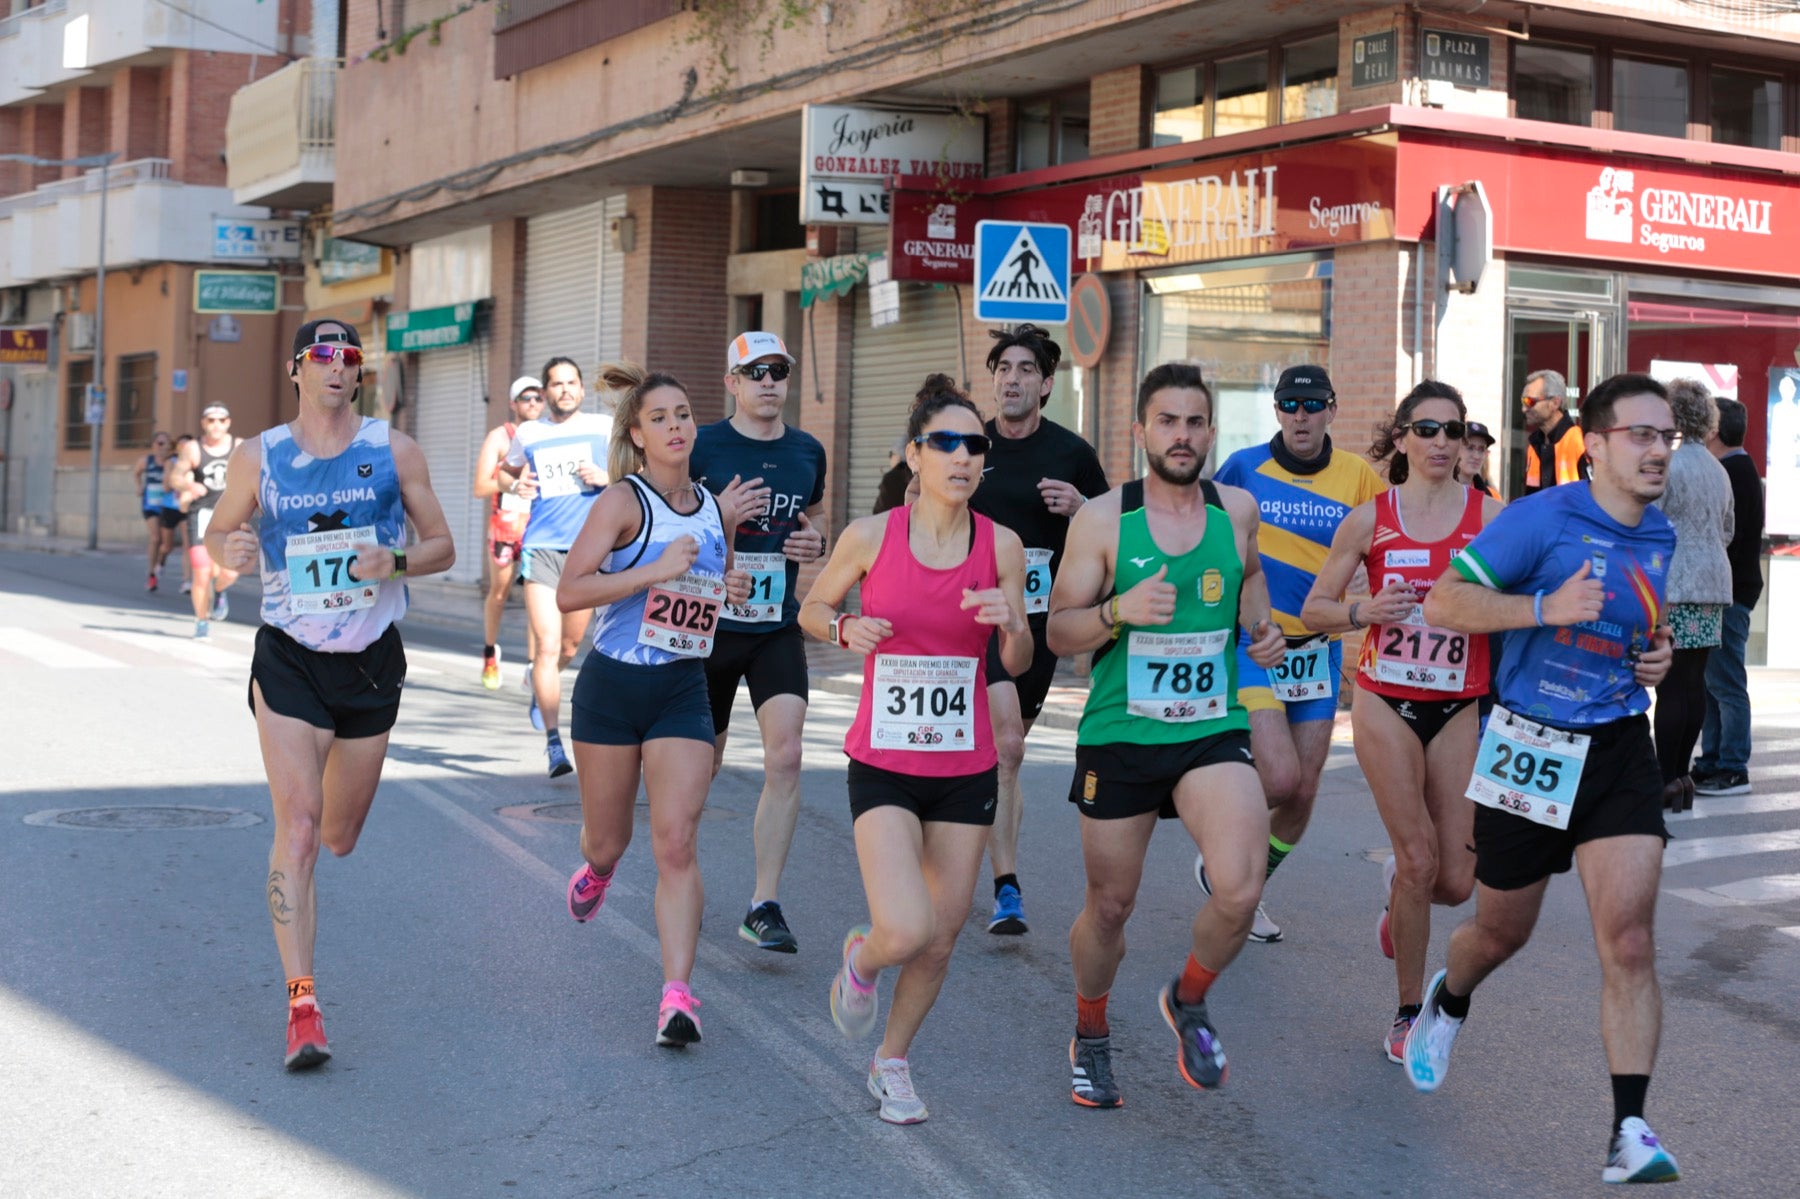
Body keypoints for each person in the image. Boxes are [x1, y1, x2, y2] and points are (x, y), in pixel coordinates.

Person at [1406, 372, 1680, 1185]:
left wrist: (1658, 655)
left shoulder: (1661, 533)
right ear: (1594, 445)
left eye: (1666, 436)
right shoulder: (1541, 518)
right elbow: (1444, 603)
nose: (1658, 450)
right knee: (1501, 932)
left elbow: (1649, 624)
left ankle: (1629, 1129)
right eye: (1641, 434)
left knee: (1629, 939)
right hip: (1529, 741)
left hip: (1619, 742)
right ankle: (1450, 996)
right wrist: (1541, 609)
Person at [206, 319, 454, 1071]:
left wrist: (396, 560)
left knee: (340, 834)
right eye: (322, 357)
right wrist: (230, 549)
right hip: (289, 658)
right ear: (297, 370)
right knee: (302, 829)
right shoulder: (259, 456)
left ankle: (304, 992)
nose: (337, 368)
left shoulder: (393, 450)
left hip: (370, 664)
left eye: (349, 357)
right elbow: (218, 533)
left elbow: (443, 544)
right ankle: (302, 1005)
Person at [1048, 362, 1285, 1108]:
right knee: (1111, 906)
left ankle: (1187, 998)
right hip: (1121, 730)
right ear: (1140, 431)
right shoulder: (1101, 520)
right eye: (1168, 422)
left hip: (1210, 726)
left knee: (1241, 886)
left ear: (1211, 433)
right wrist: (1117, 611)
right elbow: (1058, 630)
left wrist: (1261, 626)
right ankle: (1091, 1031)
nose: (1182, 436)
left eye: (1195, 422)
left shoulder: (1237, 509)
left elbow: (1250, 575)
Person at [799, 374, 1030, 1124]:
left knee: (940, 937)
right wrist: (843, 628)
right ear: (915, 455)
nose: (963, 456)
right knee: (904, 928)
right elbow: (811, 607)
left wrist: (1011, 624)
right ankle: (862, 958)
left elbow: (1020, 659)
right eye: (946, 443)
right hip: (885, 763)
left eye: (975, 445)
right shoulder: (871, 537)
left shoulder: (1001, 545)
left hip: (965, 768)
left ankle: (891, 1061)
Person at [1301, 381, 1498, 1064]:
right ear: (1402, 438)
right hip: (1386, 700)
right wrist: (1365, 611)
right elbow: (1316, 608)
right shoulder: (1370, 520)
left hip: (1459, 702)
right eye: (1427, 429)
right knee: (1418, 858)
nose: (1441, 442)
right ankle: (1409, 1011)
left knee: (1455, 881)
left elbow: (1528, 598)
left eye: (1453, 430)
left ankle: (1396, 896)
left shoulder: (1492, 517)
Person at [557, 363, 750, 1049]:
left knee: (676, 841)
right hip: (611, 688)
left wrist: (727, 588)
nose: (675, 426)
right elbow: (570, 591)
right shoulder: (622, 502)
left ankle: (677, 994)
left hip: (681, 687)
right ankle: (598, 869)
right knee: (609, 839)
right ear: (637, 435)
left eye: (684, 414)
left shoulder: (714, 509)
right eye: (659, 418)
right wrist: (654, 570)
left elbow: (711, 589)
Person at [1199, 364, 1385, 942]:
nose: (1300, 417)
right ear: (1277, 410)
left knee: (1303, 791)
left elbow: (1387, 545)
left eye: (1312, 405)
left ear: (1333, 410)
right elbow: (1206, 536)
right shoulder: (1243, 468)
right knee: (1278, 780)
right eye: (1289, 405)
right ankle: (1229, 862)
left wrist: (1372, 580)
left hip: (1319, 650)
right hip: (1256, 643)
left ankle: (1247, 888)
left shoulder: (1357, 476)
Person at [967, 323, 1109, 936]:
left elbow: (1113, 530)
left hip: (1035, 627)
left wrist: (1081, 508)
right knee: (1005, 747)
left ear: (1046, 384)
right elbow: (918, 508)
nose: (1012, 379)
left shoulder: (1071, 454)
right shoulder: (970, 445)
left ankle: (964, 838)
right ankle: (1006, 885)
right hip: (969, 618)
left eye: (1026, 369)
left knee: (1002, 752)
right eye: (1003, 368)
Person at [689, 331, 827, 954]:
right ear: (732, 383)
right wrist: (718, 523)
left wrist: (815, 542)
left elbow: (813, 519)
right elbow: (666, 523)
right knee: (701, 767)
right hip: (709, 629)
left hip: (774, 626)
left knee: (787, 756)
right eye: (756, 372)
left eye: (778, 371)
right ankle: (681, 878)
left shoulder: (807, 450)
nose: (769, 382)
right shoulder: (702, 446)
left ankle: (763, 903)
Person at [500, 357, 613, 777]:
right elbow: (504, 474)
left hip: (588, 551)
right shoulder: (529, 433)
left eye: (571, 383)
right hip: (542, 547)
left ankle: (538, 680)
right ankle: (554, 744)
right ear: (545, 392)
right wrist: (517, 484)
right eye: (556, 384)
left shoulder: (603, 428)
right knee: (548, 646)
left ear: (582, 389)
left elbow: (637, 471)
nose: (564, 389)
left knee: (569, 647)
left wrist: (607, 477)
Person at [1650, 378, 1733, 813]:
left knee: (1670, 687)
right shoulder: (1718, 469)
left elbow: (1652, 521)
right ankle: (1683, 776)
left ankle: (1666, 777)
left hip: (1676, 584)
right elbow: (1728, 529)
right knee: (1694, 682)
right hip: (1713, 583)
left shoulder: (1671, 464)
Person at [1694, 395, 1764, 797]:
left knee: (1725, 683)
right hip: (1728, 590)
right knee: (1713, 683)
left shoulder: (1731, 471)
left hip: (1729, 592)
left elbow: (1723, 536)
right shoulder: (1736, 468)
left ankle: (1733, 767)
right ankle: (1712, 761)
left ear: (1714, 431)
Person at [473, 376, 544, 690]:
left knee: (536, 597)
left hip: (537, 526)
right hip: (504, 526)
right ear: (514, 403)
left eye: (538, 397)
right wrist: (514, 484)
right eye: (526, 398)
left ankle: (533, 666)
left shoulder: (547, 433)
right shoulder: (500, 437)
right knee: (499, 593)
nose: (533, 403)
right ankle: (490, 653)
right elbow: (480, 486)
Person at [169, 404, 242, 638]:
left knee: (230, 573)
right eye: (211, 420)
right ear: (203, 423)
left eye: (221, 420)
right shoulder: (193, 448)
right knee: (201, 572)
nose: (216, 425)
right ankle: (201, 621)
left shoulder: (239, 446)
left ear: (228, 422)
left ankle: (219, 591)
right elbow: (174, 477)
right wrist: (189, 485)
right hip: (200, 515)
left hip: (230, 515)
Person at [1522, 369, 1586, 494]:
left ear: (1555, 403)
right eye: (1523, 401)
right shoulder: (1534, 446)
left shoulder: (1579, 441)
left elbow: (1594, 497)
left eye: (1530, 401)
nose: (1524, 409)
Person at [136, 432, 176, 591]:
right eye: (160, 443)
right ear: (153, 445)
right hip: (150, 505)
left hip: (168, 505)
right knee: (155, 538)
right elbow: (136, 474)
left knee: (167, 545)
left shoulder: (173, 461)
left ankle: (161, 562)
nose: (163, 447)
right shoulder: (146, 461)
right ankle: (151, 573)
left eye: (167, 443)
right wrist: (139, 486)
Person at [1458, 420, 1501, 499]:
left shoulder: (1492, 497)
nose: (1476, 456)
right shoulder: (1439, 491)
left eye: (1481, 449)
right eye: (1470, 448)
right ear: (1456, 449)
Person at [873, 438, 911, 514]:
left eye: (891, 454)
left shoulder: (892, 478)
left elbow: (880, 511)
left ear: (899, 456)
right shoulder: (920, 475)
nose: (890, 458)